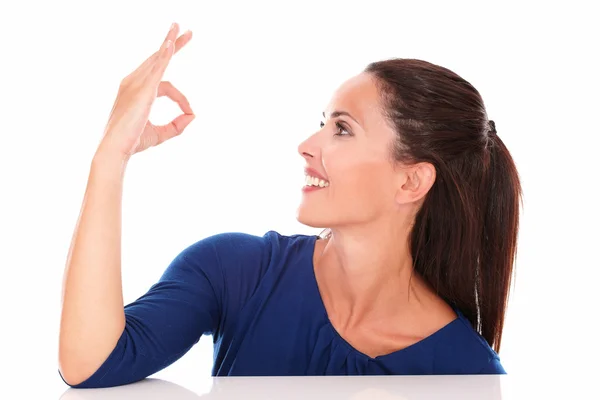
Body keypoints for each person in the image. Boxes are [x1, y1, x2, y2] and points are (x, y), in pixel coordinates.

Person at [58, 23, 522, 388]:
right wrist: (110, 158)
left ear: (411, 180)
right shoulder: (236, 270)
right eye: (322, 123)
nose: (306, 145)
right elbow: (92, 363)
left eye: (341, 129)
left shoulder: (466, 370)